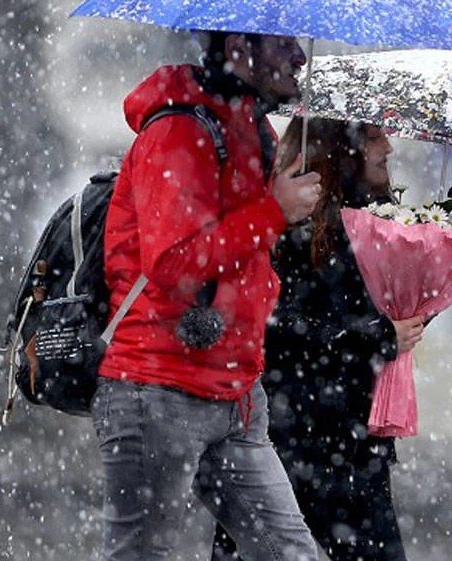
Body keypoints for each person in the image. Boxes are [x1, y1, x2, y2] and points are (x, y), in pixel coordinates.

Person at [96, 31, 323, 561]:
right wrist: (274, 212)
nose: (298, 56)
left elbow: (247, 250)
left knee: (291, 553)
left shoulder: (250, 126)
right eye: (281, 43)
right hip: (157, 388)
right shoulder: (178, 129)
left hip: (237, 392)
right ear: (240, 47)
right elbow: (173, 263)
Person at [211, 118, 430, 561]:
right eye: (372, 137)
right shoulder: (289, 227)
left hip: (350, 440)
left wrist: (414, 311)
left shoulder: (377, 224)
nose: (387, 146)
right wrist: (375, 338)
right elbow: (276, 325)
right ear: (340, 149)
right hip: (289, 436)